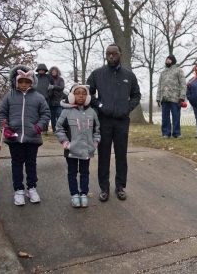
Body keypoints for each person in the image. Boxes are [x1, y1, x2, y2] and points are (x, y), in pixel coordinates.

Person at [87, 44, 141, 202]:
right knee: (103, 155)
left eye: (114, 54)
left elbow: (136, 95)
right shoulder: (97, 74)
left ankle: (120, 187)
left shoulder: (129, 75)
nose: (111, 56)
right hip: (104, 120)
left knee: (121, 155)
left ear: (120, 55)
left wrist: (127, 108)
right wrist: (100, 106)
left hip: (122, 121)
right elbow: (87, 92)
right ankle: (104, 188)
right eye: (108, 54)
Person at [0, 65, 50, 206]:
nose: (24, 85)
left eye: (27, 82)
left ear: (32, 82)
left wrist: (39, 126)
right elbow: (1, 114)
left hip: (32, 137)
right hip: (14, 138)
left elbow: (46, 114)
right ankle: (19, 190)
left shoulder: (39, 97)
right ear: (16, 82)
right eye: (21, 82)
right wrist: (5, 129)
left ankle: (32, 188)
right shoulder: (9, 96)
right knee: (17, 164)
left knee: (31, 164)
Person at [55, 85, 101, 208]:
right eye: (77, 93)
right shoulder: (66, 111)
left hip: (87, 150)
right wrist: (66, 143)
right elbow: (59, 128)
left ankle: (83, 194)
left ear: (87, 96)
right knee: (72, 172)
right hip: (71, 150)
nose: (80, 95)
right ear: (72, 96)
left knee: (85, 172)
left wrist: (95, 142)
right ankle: (74, 194)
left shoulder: (92, 112)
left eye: (83, 93)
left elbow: (97, 130)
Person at [156, 55, 187, 138]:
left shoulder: (179, 70)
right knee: (165, 117)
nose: (167, 61)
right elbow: (160, 85)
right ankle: (166, 133)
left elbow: (183, 84)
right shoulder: (163, 72)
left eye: (169, 59)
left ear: (173, 60)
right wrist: (158, 98)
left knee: (176, 117)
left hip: (175, 98)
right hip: (164, 98)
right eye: (166, 59)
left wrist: (182, 97)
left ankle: (176, 133)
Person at [48, 66, 65, 133]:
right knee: (52, 116)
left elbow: (61, 87)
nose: (53, 72)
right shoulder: (48, 79)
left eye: (55, 71)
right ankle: (54, 130)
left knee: (59, 115)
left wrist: (53, 87)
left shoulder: (60, 79)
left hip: (58, 100)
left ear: (57, 72)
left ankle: (60, 129)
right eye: (52, 71)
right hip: (51, 100)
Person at [35, 64, 51, 134]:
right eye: (40, 70)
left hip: (45, 99)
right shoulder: (34, 77)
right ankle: (36, 128)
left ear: (45, 70)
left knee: (45, 114)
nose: (41, 71)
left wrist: (49, 95)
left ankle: (44, 130)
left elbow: (52, 87)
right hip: (35, 98)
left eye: (43, 70)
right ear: (38, 70)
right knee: (35, 114)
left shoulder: (48, 77)